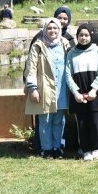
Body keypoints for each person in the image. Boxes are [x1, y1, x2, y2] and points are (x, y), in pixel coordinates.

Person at [24, 18, 68, 159]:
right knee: (45, 119)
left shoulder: (65, 44)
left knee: (59, 119)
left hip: (61, 88)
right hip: (44, 87)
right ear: (44, 30)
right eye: (49, 28)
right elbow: (30, 68)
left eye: (55, 28)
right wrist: (33, 88)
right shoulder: (38, 45)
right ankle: (46, 149)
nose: (52, 31)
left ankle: (58, 147)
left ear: (59, 29)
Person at [65, 24, 98, 161]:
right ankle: (85, 149)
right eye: (81, 35)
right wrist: (76, 92)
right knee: (82, 123)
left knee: (95, 123)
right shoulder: (71, 53)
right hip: (79, 92)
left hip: (95, 92)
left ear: (90, 36)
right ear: (77, 37)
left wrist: (94, 89)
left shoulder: (97, 51)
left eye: (86, 35)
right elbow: (68, 75)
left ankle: (95, 148)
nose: (84, 38)